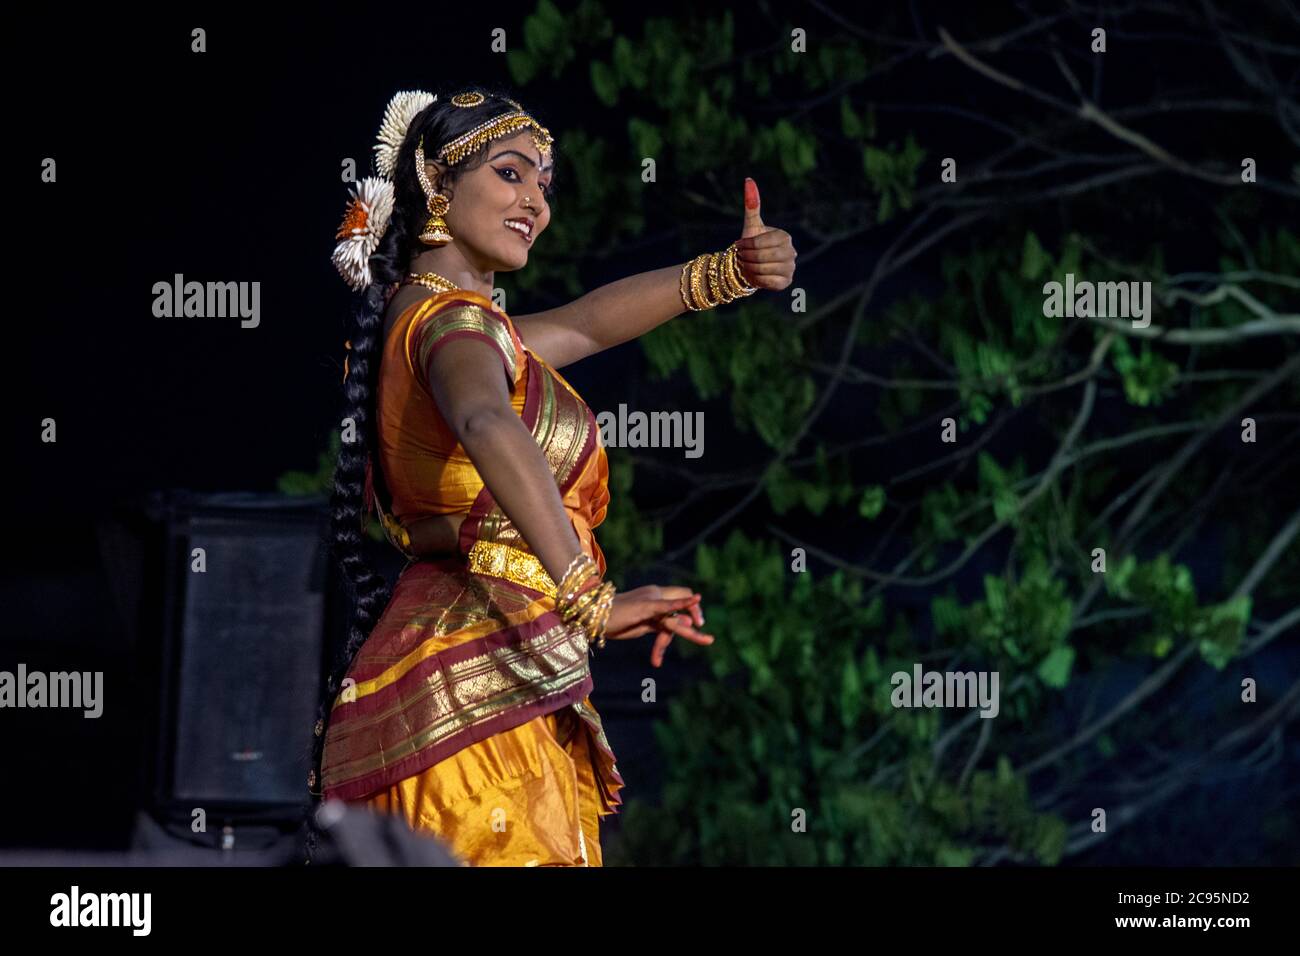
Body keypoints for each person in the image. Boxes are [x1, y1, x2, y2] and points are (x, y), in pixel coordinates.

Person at [308, 87, 797, 866]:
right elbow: (487, 422)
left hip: (466, 667)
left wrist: (725, 272)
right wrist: (590, 599)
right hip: (475, 686)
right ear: (437, 184)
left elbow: (585, 323)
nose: (535, 201)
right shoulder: (449, 327)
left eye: (543, 184)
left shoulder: (444, 322)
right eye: (511, 174)